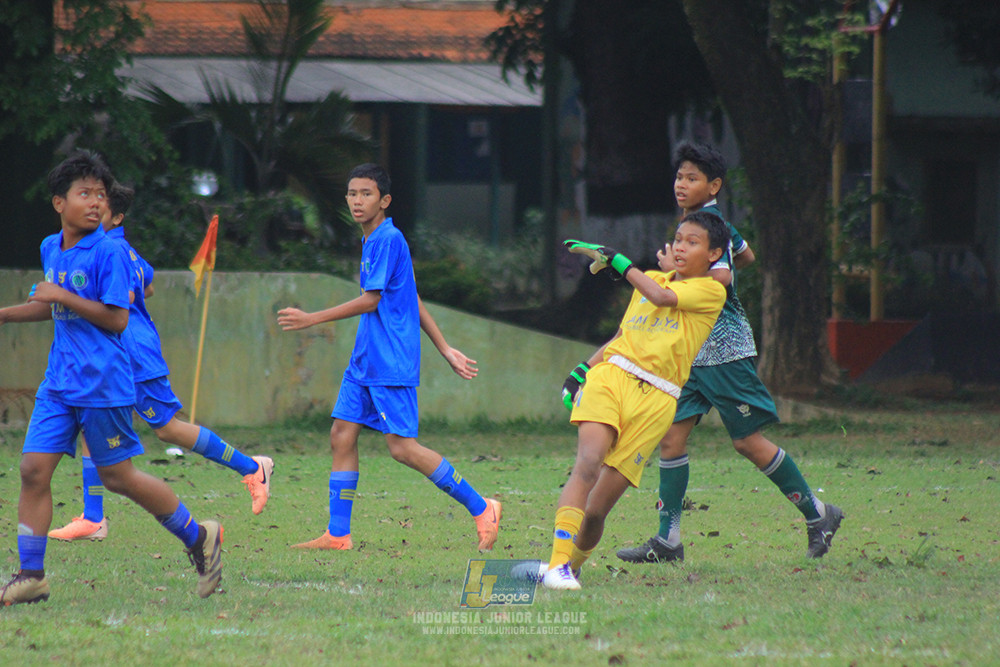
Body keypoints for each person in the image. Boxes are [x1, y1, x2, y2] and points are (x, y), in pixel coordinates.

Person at [0, 150, 222, 605]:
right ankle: (31, 575)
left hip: (103, 384)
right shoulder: (50, 246)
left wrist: (61, 293)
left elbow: (117, 318)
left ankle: (199, 536)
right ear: (59, 202)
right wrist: (5, 314)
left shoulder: (111, 251)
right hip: (59, 383)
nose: (96, 202)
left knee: (119, 478)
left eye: (101, 194)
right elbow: (50, 305)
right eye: (85, 193)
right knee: (32, 470)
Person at [607, 142, 843, 564]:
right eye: (679, 176)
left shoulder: (711, 224)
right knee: (671, 439)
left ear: (714, 185)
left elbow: (721, 278)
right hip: (691, 355)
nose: (681, 184)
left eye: (692, 178)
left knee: (748, 442)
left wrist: (687, 273)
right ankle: (669, 541)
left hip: (722, 352)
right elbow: (747, 256)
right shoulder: (707, 225)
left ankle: (819, 514)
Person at [276, 163, 501, 551]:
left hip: (389, 361)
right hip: (365, 360)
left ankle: (482, 508)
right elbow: (409, 296)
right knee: (341, 435)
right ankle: (338, 534)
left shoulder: (388, 239)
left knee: (402, 448)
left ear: (385, 200)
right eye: (351, 193)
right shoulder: (373, 239)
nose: (357, 201)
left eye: (366, 194)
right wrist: (445, 348)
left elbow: (372, 300)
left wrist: (313, 318)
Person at [47, 181, 274, 543]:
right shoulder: (116, 250)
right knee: (93, 424)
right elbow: (147, 284)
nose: (91, 211)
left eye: (100, 206)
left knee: (168, 428)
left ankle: (252, 467)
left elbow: (133, 291)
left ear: (116, 217)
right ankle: (93, 518)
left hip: (134, 352)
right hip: (112, 354)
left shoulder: (113, 250)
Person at [540, 210, 729, 591]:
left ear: (714, 255)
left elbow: (661, 297)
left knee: (595, 512)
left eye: (693, 242)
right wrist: (580, 372)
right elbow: (621, 337)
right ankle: (557, 565)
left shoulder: (710, 291)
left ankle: (571, 567)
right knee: (588, 463)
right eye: (678, 239)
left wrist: (618, 260)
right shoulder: (651, 280)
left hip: (658, 401)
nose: (681, 247)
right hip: (611, 379)